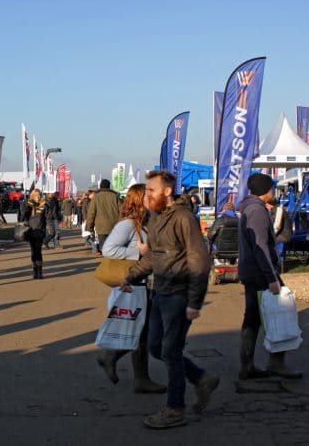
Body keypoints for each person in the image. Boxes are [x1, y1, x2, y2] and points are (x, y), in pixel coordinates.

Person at [121, 170, 217, 429]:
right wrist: (131, 276)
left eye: (151, 191)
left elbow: (200, 260)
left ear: (167, 191)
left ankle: (175, 408)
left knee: (170, 350)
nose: (146, 196)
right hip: (160, 291)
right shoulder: (156, 218)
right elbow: (154, 256)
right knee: (155, 347)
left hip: (180, 293)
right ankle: (201, 378)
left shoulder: (184, 218)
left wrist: (195, 301)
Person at [96, 184, 166, 394]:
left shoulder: (144, 223)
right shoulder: (127, 224)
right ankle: (134, 374)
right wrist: (138, 251)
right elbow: (108, 249)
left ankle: (132, 372)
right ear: (139, 200)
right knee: (143, 331)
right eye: (149, 196)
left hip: (144, 283)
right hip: (135, 285)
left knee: (142, 331)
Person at [238, 173, 302, 380]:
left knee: (254, 318)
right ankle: (276, 363)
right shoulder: (257, 210)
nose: (274, 193)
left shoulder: (249, 208)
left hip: (253, 271)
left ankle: (247, 366)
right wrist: (272, 277)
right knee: (278, 314)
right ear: (266, 191)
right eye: (272, 189)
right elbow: (260, 246)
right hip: (260, 273)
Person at [86, 179, 120, 255]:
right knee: (113, 246)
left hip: (101, 226)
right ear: (109, 186)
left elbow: (91, 213)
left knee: (104, 247)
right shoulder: (115, 196)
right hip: (114, 225)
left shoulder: (96, 197)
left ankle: (107, 260)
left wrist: (89, 227)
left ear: (100, 186)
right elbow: (122, 211)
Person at [21, 189, 47, 279]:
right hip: (30, 231)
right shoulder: (28, 205)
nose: (38, 197)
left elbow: (46, 218)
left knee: (38, 251)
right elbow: (22, 217)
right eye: (36, 195)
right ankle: (34, 272)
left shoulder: (44, 205)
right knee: (33, 251)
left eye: (39, 195)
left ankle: (40, 272)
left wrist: (46, 230)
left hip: (39, 231)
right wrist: (26, 207)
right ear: (32, 196)